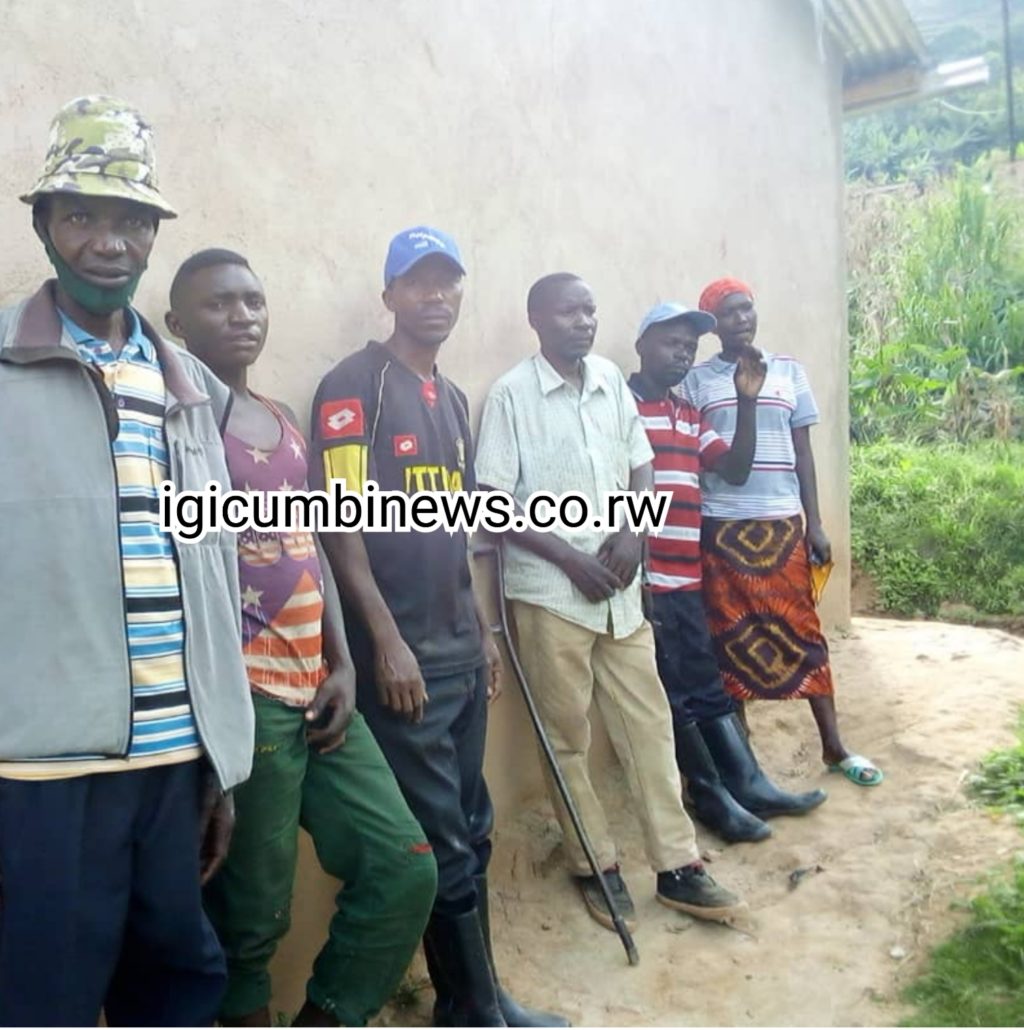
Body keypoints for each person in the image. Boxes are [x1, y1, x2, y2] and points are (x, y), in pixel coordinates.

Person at [0, 97, 254, 1026]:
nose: (109, 243)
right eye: (82, 215)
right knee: (47, 998)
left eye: (132, 220)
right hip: (42, 774)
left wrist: (219, 756)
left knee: (176, 985)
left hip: (175, 761)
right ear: (44, 225)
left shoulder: (192, 391)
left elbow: (213, 577)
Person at [165, 248, 438, 1028]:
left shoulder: (282, 419)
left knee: (404, 867)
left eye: (252, 301)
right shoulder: (174, 428)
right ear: (177, 324)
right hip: (244, 700)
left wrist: (343, 661)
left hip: (317, 690)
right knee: (250, 919)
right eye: (218, 304)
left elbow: (312, 541)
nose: (241, 316)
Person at [309, 227, 566, 1028]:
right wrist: (385, 642)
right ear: (389, 294)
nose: (436, 296)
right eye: (418, 282)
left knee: (474, 827)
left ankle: (474, 996)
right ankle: (473, 1006)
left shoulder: (449, 398)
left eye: (448, 282)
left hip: (458, 650)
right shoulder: (355, 386)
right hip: (403, 662)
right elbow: (338, 523)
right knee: (443, 838)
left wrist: (483, 631)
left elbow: (455, 527)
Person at [475, 273, 745, 933]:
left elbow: (640, 463)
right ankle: (594, 863)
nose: (584, 321)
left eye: (590, 310)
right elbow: (490, 501)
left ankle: (678, 864)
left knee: (649, 726)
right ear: (537, 319)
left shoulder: (609, 385)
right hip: (550, 596)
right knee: (566, 737)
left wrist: (632, 531)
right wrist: (570, 559)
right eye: (569, 311)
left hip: (621, 595)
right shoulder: (512, 395)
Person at [628, 302, 827, 842]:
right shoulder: (619, 406)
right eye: (671, 343)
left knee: (705, 683)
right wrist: (637, 569)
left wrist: (746, 400)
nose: (682, 355)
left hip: (687, 575)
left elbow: (735, 470)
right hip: (647, 579)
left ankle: (748, 784)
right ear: (642, 345)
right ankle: (711, 798)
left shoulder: (687, 413)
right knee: (675, 692)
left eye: (689, 347)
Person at [684, 278, 883, 787]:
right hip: (723, 525)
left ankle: (833, 746)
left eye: (746, 308)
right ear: (713, 325)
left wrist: (815, 521)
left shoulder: (788, 370)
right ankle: (745, 760)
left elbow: (803, 453)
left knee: (804, 632)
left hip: (782, 523)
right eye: (729, 313)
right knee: (730, 639)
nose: (741, 319)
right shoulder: (697, 380)